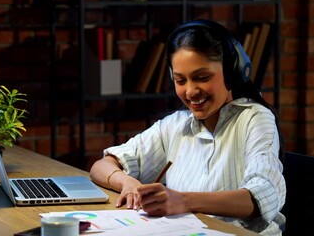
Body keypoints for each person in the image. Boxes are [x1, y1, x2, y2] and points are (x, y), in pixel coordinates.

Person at [89, 19, 286, 235]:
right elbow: (101, 166)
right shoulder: (174, 125)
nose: (190, 91)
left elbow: (260, 197)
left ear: (232, 72)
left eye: (202, 78)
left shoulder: (255, 119)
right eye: (180, 81)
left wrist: (183, 200)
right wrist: (128, 183)